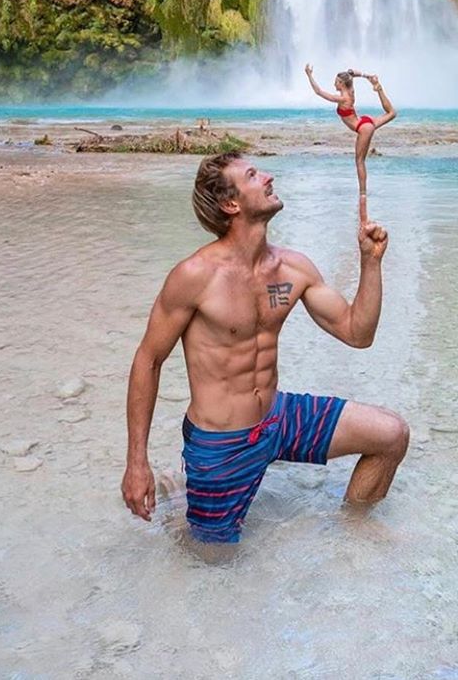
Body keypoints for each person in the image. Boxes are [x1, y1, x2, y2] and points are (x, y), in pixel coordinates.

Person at [121, 152, 409, 547]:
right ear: (231, 203)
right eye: (254, 175)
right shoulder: (194, 276)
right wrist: (137, 461)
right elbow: (148, 360)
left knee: (391, 435)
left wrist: (371, 263)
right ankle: (181, 494)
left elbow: (358, 333)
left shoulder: (293, 268)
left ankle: (353, 535)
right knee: (210, 561)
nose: (269, 177)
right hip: (222, 444)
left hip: (278, 418)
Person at [304, 64, 396, 207]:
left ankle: (363, 195)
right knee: (392, 113)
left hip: (363, 128)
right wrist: (367, 76)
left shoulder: (344, 98)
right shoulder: (350, 90)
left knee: (359, 161)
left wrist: (309, 75)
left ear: (341, 83)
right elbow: (351, 73)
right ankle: (378, 88)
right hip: (365, 122)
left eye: (336, 81)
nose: (334, 84)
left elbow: (318, 92)